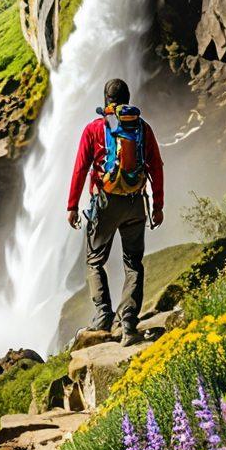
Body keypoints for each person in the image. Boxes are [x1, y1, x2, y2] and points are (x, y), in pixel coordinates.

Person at [67, 78, 164, 347]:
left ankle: (102, 317)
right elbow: (156, 166)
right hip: (135, 202)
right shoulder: (143, 128)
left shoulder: (95, 129)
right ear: (128, 97)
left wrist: (72, 206)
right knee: (133, 262)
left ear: (105, 100)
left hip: (106, 202)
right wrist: (158, 205)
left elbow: (80, 169)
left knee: (95, 261)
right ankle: (129, 324)